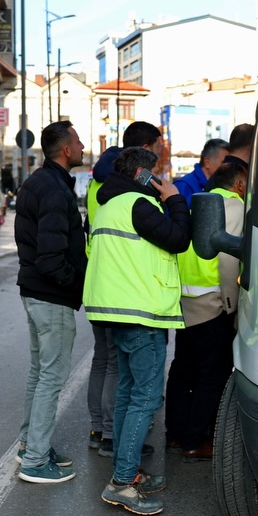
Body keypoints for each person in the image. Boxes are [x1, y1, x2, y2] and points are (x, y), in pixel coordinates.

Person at [84, 146, 190, 515]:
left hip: (119, 312)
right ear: (142, 174)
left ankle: (125, 471)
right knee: (144, 398)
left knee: (129, 395)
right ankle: (122, 482)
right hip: (142, 314)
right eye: (154, 174)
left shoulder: (109, 203)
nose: (158, 180)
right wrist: (174, 199)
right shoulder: (138, 204)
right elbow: (179, 239)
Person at [13, 121, 87, 484]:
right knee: (51, 377)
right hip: (50, 295)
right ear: (66, 150)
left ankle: (30, 444)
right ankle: (35, 461)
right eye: (79, 141)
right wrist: (75, 283)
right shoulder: (55, 190)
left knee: (39, 373)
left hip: (34, 291)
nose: (83, 146)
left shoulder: (37, 182)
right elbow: (51, 257)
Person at [84, 121, 163, 456]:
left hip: (99, 278)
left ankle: (99, 430)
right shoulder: (131, 190)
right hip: (123, 281)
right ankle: (112, 438)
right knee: (119, 367)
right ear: (144, 151)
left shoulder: (98, 183)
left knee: (103, 359)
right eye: (157, 148)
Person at [164, 160, 246, 460]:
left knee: (183, 369)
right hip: (212, 304)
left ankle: (175, 434)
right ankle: (196, 440)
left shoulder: (197, 204)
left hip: (187, 301)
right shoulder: (235, 207)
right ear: (240, 183)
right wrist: (231, 305)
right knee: (213, 375)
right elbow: (228, 259)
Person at [174, 137, 228, 206]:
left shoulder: (222, 184)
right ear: (207, 162)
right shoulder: (183, 186)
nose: (228, 166)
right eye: (224, 162)